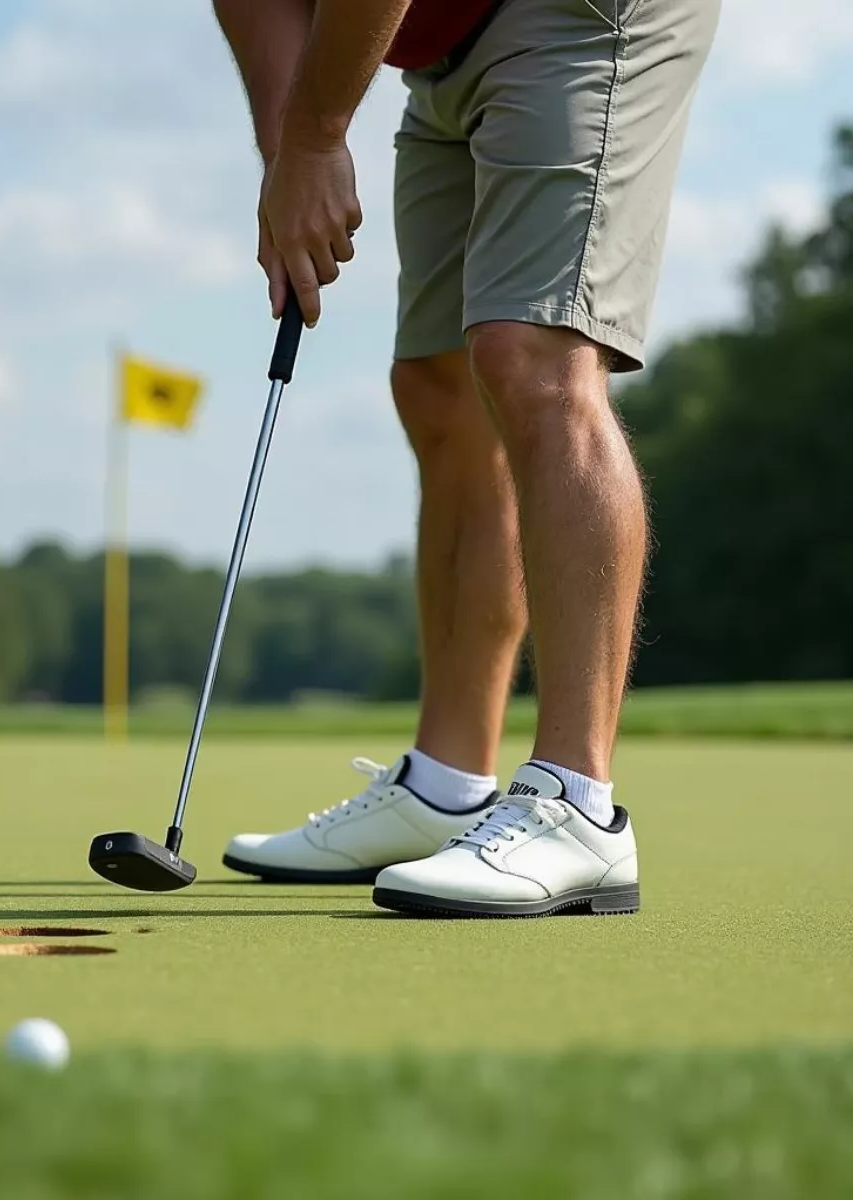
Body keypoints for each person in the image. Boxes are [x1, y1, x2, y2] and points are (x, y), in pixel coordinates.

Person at [213, 0, 719, 916]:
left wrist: (321, 131)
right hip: (439, 44)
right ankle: (443, 787)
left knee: (534, 356)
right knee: (439, 387)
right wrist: (289, 151)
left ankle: (578, 806)